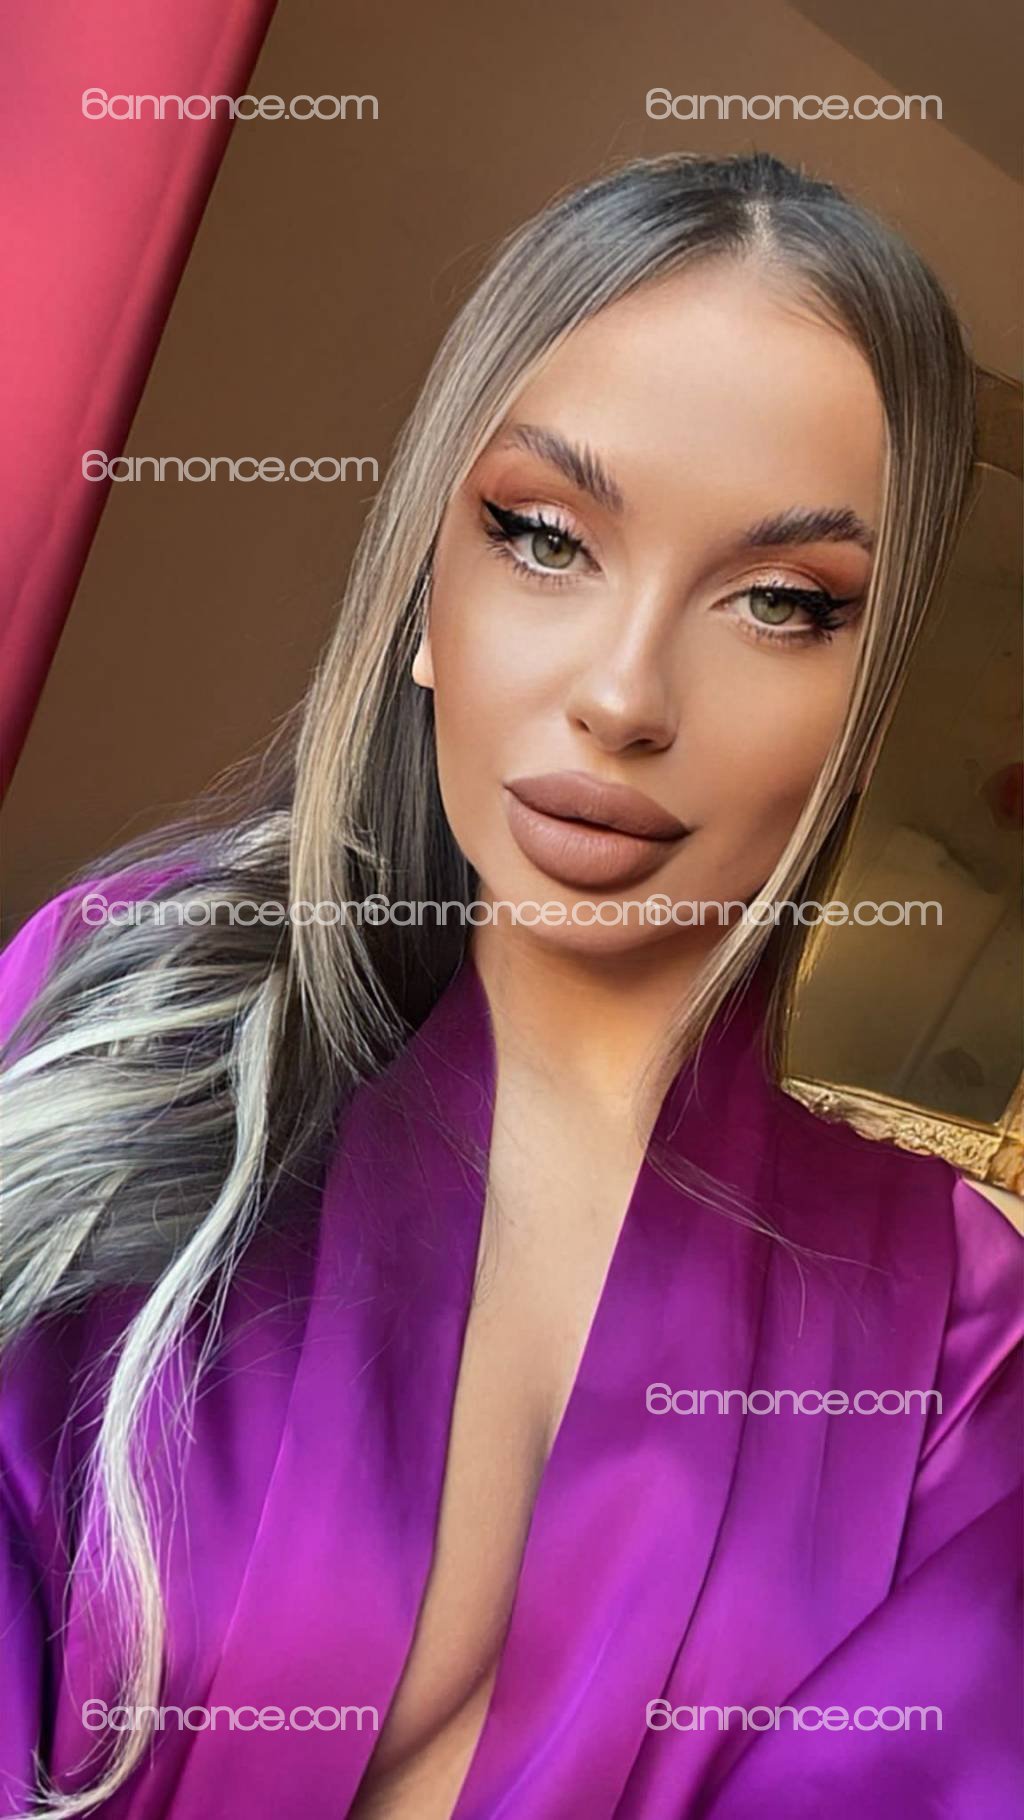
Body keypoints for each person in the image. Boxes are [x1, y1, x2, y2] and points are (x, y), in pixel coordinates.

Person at [1, 150, 1020, 1820]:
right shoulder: (128, 1016)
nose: (624, 694)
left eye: (783, 603)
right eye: (545, 537)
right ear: (427, 591)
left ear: (868, 701)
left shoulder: (966, 1345)